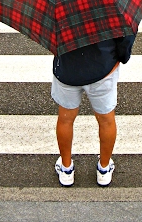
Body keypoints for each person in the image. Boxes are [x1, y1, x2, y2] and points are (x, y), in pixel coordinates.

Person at [51, 34, 136, 187]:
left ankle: (66, 169)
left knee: (65, 119)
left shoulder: (61, 16)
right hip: (103, 66)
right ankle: (104, 169)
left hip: (68, 67)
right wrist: (121, 56)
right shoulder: (108, 15)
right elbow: (125, 34)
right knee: (106, 120)